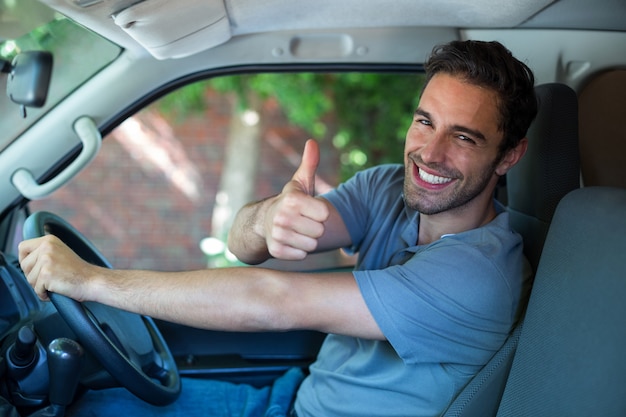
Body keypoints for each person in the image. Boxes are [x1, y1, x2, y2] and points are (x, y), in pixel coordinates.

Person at [18, 40, 537, 417]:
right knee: (88, 407)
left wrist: (90, 282)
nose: (430, 152)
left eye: (463, 137)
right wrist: (266, 221)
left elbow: (270, 300)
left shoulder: (480, 275)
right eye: (425, 121)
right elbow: (243, 248)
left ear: (508, 156)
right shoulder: (386, 190)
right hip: (290, 399)